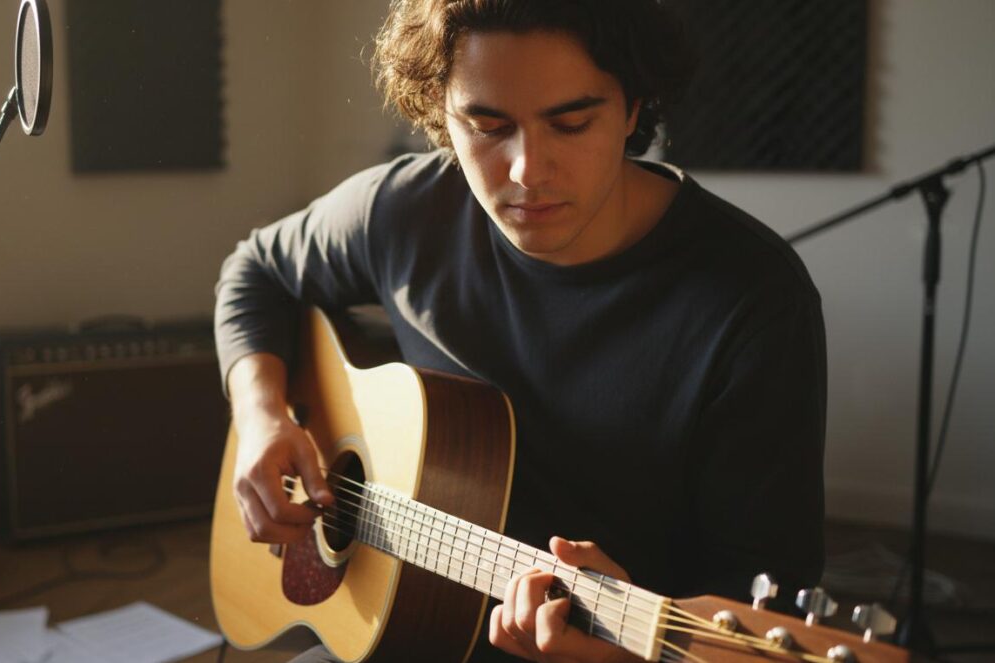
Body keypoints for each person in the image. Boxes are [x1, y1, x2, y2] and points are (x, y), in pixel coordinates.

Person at [214, 0, 827, 661]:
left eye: (570, 123)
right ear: (442, 117)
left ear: (630, 109)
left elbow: (765, 595)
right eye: (487, 126)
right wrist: (261, 415)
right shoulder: (402, 212)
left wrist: (617, 650)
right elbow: (256, 270)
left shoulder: (754, 298)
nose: (527, 171)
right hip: (399, 616)